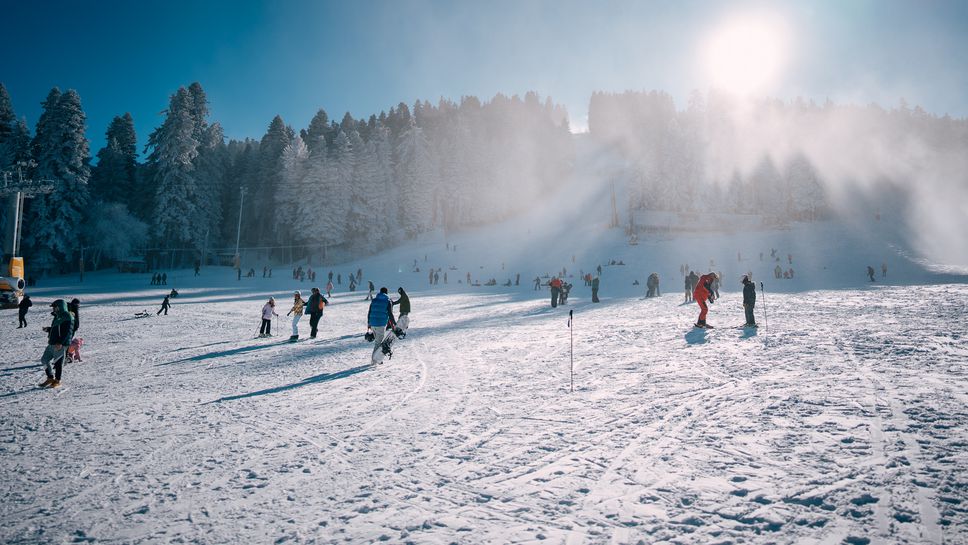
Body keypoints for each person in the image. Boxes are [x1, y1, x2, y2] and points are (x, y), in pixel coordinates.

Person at [39, 299, 74, 388]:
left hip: (59, 344)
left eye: (55, 307)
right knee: (44, 360)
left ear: (60, 307)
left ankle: (58, 380)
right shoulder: (58, 316)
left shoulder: (67, 316)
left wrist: (60, 343)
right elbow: (57, 329)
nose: (53, 309)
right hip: (52, 343)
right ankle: (50, 378)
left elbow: (67, 332)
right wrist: (49, 329)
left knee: (58, 363)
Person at [367, 287, 396, 364]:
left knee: (378, 342)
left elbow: (369, 312)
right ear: (386, 293)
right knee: (378, 342)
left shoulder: (374, 300)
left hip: (372, 323)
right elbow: (390, 314)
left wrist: (369, 324)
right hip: (380, 324)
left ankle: (377, 359)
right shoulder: (388, 301)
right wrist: (394, 324)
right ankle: (374, 360)